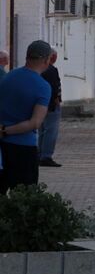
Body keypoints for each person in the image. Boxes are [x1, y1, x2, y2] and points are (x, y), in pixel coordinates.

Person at [0, 41, 54, 194]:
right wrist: (5, 130)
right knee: (24, 198)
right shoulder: (42, 86)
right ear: (46, 60)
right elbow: (35, 123)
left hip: (1, 147)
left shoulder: (8, 77)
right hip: (23, 147)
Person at [38, 49, 63, 168]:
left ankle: (39, 155)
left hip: (40, 105)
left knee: (41, 131)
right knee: (51, 131)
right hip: (51, 106)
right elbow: (54, 88)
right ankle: (46, 156)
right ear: (52, 57)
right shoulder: (52, 70)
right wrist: (56, 101)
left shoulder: (39, 70)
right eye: (55, 56)